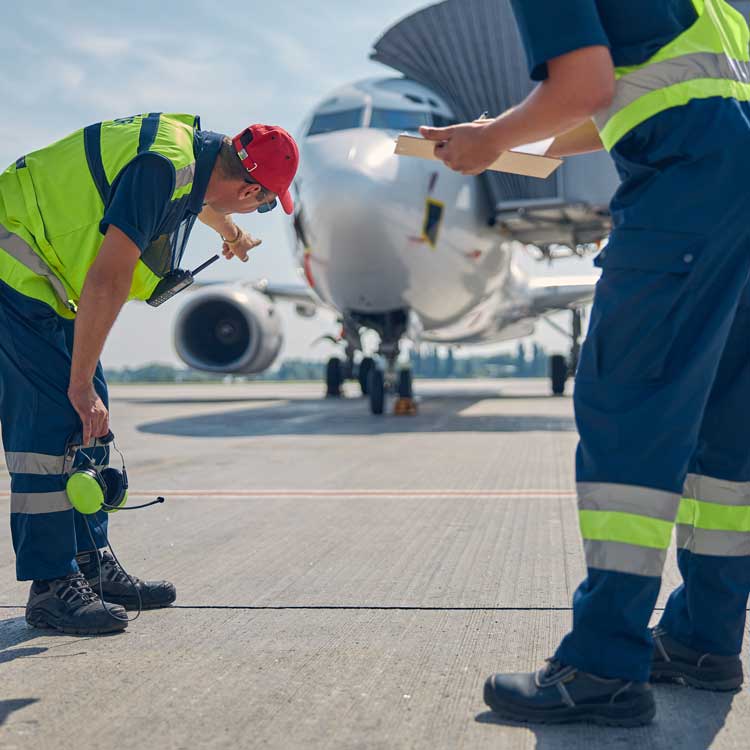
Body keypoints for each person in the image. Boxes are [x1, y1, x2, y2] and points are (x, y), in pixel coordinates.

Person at [421, 0, 750, 727]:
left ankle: (602, 665)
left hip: (684, 193)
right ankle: (704, 639)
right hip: (738, 194)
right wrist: (509, 142)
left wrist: (491, 142)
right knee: (726, 439)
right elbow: (626, 95)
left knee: (629, 418)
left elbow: (583, 87)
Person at [0, 114, 299, 635]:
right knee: (54, 417)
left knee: (91, 416)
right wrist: (79, 382)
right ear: (250, 187)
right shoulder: (161, 168)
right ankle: (50, 587)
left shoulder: (193, 157)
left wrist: (231, 231)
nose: (263, 209)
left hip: (43, 272)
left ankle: (90, 565)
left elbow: (202, 199)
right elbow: (108, 280)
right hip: (14, 260)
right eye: (267, 202)